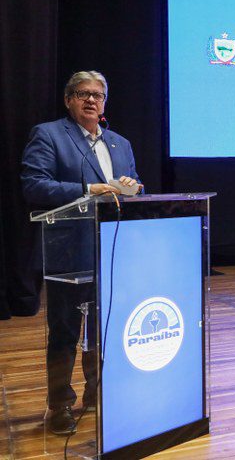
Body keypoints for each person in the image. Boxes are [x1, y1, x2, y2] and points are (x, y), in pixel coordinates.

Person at [20, 71, 142, 435]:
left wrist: (132, 187)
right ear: (68, 99)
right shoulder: (50, 135)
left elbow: (134, 183)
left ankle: (97, 394)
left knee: (103, 330)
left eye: (98, 95)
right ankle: (58, 405)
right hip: (68, 254)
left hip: (113, 251)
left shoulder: (120, 143)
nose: (92, 100)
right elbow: (34, 184)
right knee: (65, 332)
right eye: (83, 94)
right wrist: (89, 188)